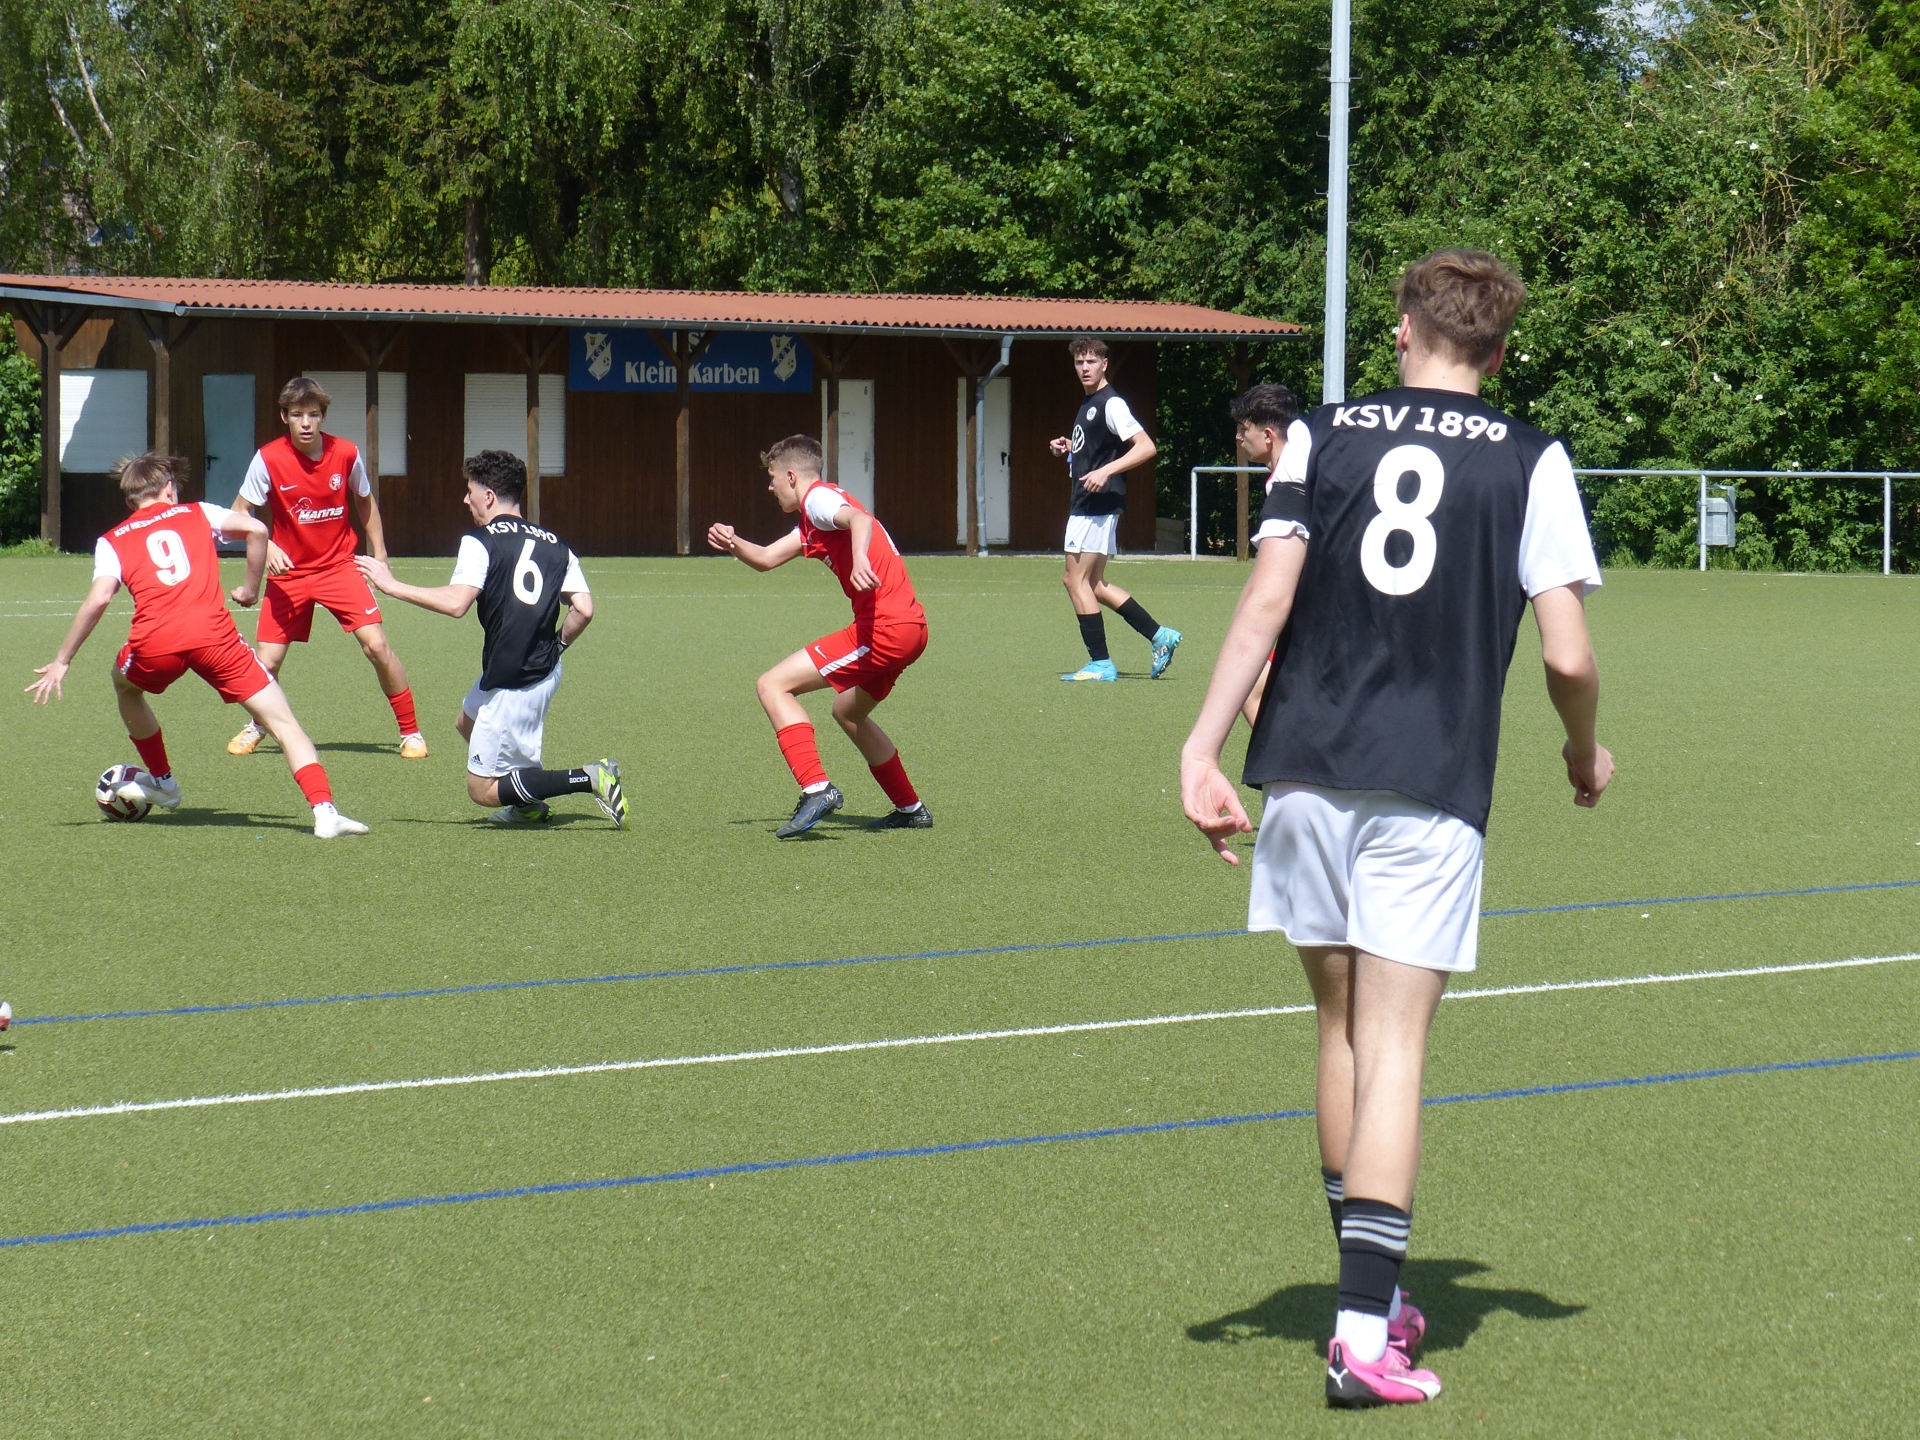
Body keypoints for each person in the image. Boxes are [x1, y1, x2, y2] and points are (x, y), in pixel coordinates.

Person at [1178, 249, 1613, 1408]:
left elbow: (1267, 598)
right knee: (1398, 1049)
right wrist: (1583, 750)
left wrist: (1201, 747)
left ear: (1403, 331)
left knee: (1339, 1033)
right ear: (1500, 352)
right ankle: (1364, 1337)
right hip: (1428, 782)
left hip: (1302, 771)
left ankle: (1368, 1294)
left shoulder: (1318, 434)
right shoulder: (1530, 456)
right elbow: (1569, 654)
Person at [27, 452, 369, 839]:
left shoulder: (112, 540)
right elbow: (257, 530)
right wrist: (250, 589)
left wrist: (63, 660)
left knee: (124, 686)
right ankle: (325, 813)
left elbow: (100, 597)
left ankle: (163, 782)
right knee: (284, 723)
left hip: (155, 643)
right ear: (169, 489)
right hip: (216, 640)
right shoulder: (198, 513)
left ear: (130, 501)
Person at [357, 451, 625, 828]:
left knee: (481, 789)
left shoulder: (480, 541)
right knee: (467, 721)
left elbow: (456, 603)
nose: (466, 500)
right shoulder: (557, 545)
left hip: (516, 678)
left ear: (489, 496)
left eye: (470, 492)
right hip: (538, 668)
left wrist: (392, 586)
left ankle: (591, 776)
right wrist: (557, 647)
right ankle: (527, 802)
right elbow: (584, 609)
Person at [706, 434, 932, 838]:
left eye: (773, 477)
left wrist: (859, 558)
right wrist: (732, 542)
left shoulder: (818, 500)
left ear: (791, 476)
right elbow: (766, 558)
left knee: (772, 685)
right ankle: (910, 808)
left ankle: (817, 789)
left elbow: (860, 520)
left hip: (885, 628)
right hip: (910, 627)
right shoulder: (813, 517)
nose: (770, 487)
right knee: (848, 712)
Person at [225, 376, 427, 760]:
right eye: (297, 414)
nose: (305, 423)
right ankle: (258, 724)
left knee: (377, 646)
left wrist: (380, 555)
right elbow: (239, 512)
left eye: (313, 415)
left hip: (339, 567)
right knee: (267, 661)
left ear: (323, 417)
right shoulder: (268, 458)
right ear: (284, 416)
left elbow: (365, 500)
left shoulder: (346, 453)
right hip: (289, 573)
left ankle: (411, 732)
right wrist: (268, 546)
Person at [1047, 335, 1180, 682]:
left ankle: (1101, 663)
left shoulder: (1111, 403)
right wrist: (1070, 448)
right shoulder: (1090, 402)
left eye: (1091, 361)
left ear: (1104, 364)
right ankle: (1160, 635)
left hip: (1094, 504)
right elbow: (1098, 448)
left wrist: (1106, 471)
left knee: (1074, 580)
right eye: (1079, 362)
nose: (1085, 367)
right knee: (1094, 584)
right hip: (1093, 503)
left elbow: (1146, 447)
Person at [1227, 382, 1304, 729]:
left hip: (1311, 619)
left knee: (1249, 685)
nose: (1239, 438)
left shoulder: (1290, 483)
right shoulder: (1297, 471)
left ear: (1268, 436)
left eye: (1244, 430)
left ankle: (1286, 757)